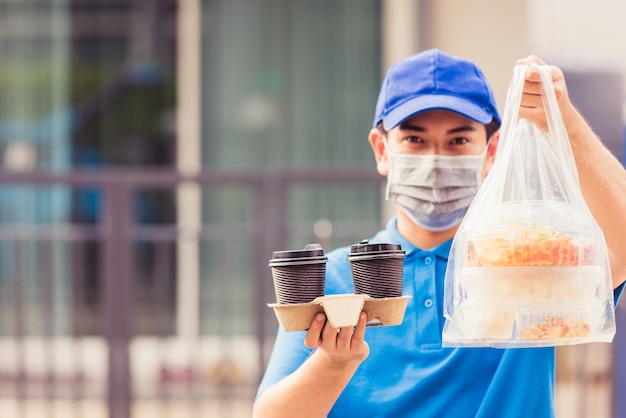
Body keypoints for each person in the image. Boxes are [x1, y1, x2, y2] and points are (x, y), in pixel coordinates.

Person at [253, 49, 626, 418]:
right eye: (415, 140)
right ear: (382, 150)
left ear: (491, 151)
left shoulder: (530, 265)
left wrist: (563, 123)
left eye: (459, 141)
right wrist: (334, 364)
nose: (436, 159)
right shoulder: (334, 281)